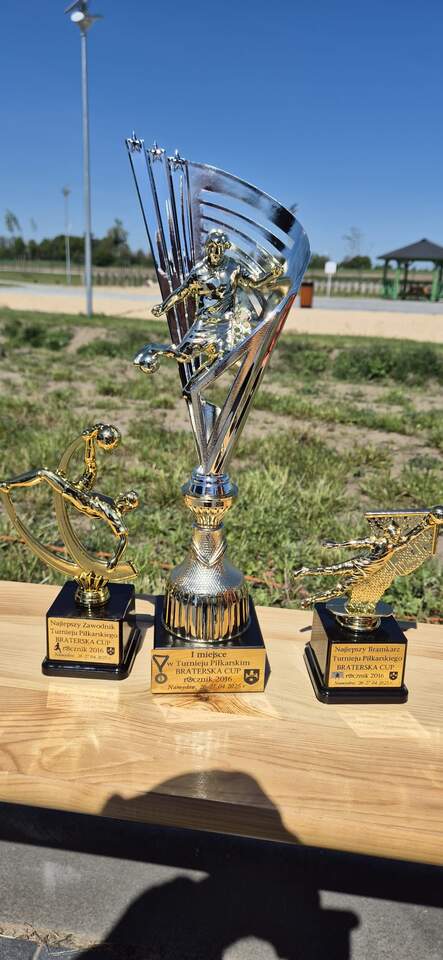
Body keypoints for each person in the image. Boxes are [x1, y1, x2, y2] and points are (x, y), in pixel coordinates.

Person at [134, 229, 284, 393]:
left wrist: (272, 275)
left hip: (224, 325)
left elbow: (255, 283)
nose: (216, 251)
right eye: (212, 247)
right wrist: (163, 306)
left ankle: (191, 389)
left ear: (225, 247)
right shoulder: (199, 272)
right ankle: (153, 348)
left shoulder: (233, 267)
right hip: (204, 323)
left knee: (223, 357)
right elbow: (181, 292)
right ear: (207, 248)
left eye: (220, 247)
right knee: (183, 355)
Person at [0, 423, 139, 571]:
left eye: (128, 500)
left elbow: (123, 537)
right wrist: (89, 439)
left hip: (81, 498)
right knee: (91, 467)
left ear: (128, 507)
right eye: (126, 495)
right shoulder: (112, 502)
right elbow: (90, 469)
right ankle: (89, 439)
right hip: (84, 490)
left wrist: (114, 560)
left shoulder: (113, 513)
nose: (124, 498)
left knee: (43, 473)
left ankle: (7, 485)